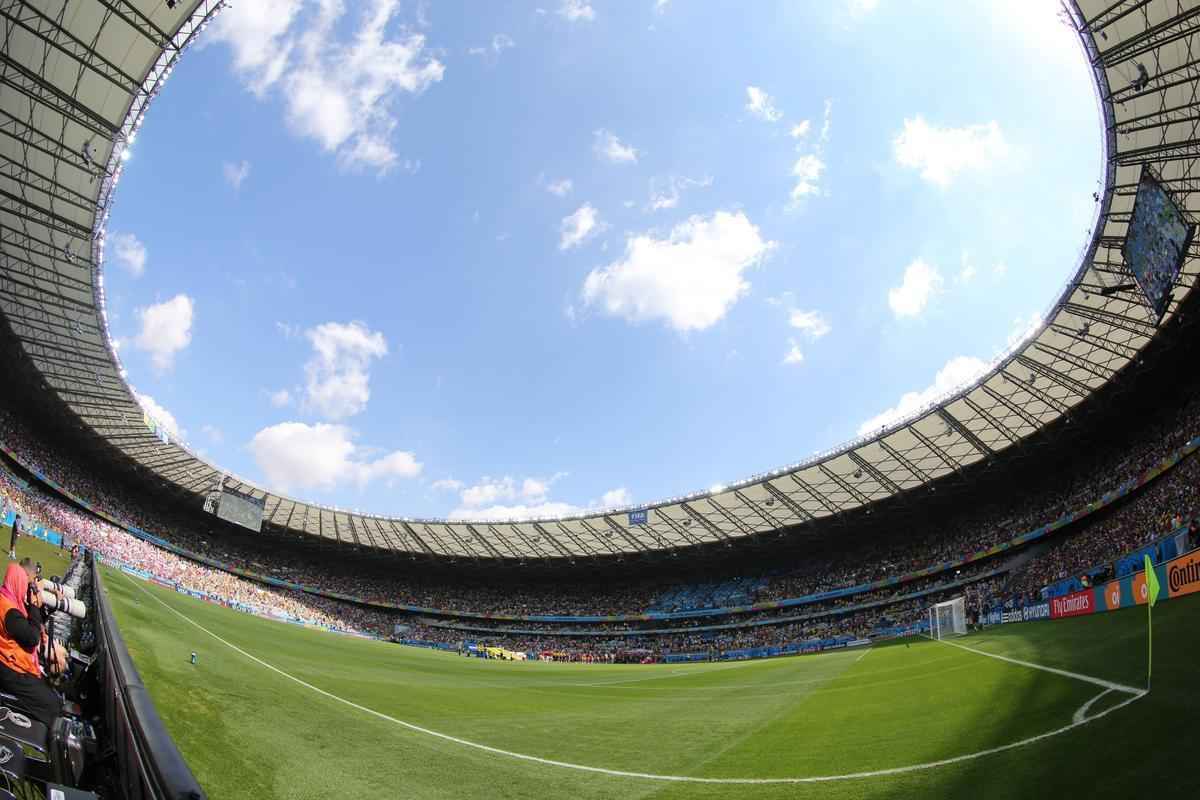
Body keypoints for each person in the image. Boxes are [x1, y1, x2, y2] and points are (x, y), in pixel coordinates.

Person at [0, 560, 67, 726]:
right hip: (9, 668)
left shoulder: (9, 600)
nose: (27, 588)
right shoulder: (9, 611)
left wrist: (43, 609)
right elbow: (32, 637)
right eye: (26, 583)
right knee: (52, 704)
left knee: (51, 695)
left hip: (12, 663)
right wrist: (35, 607)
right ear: (18, 582)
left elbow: (32, 626)